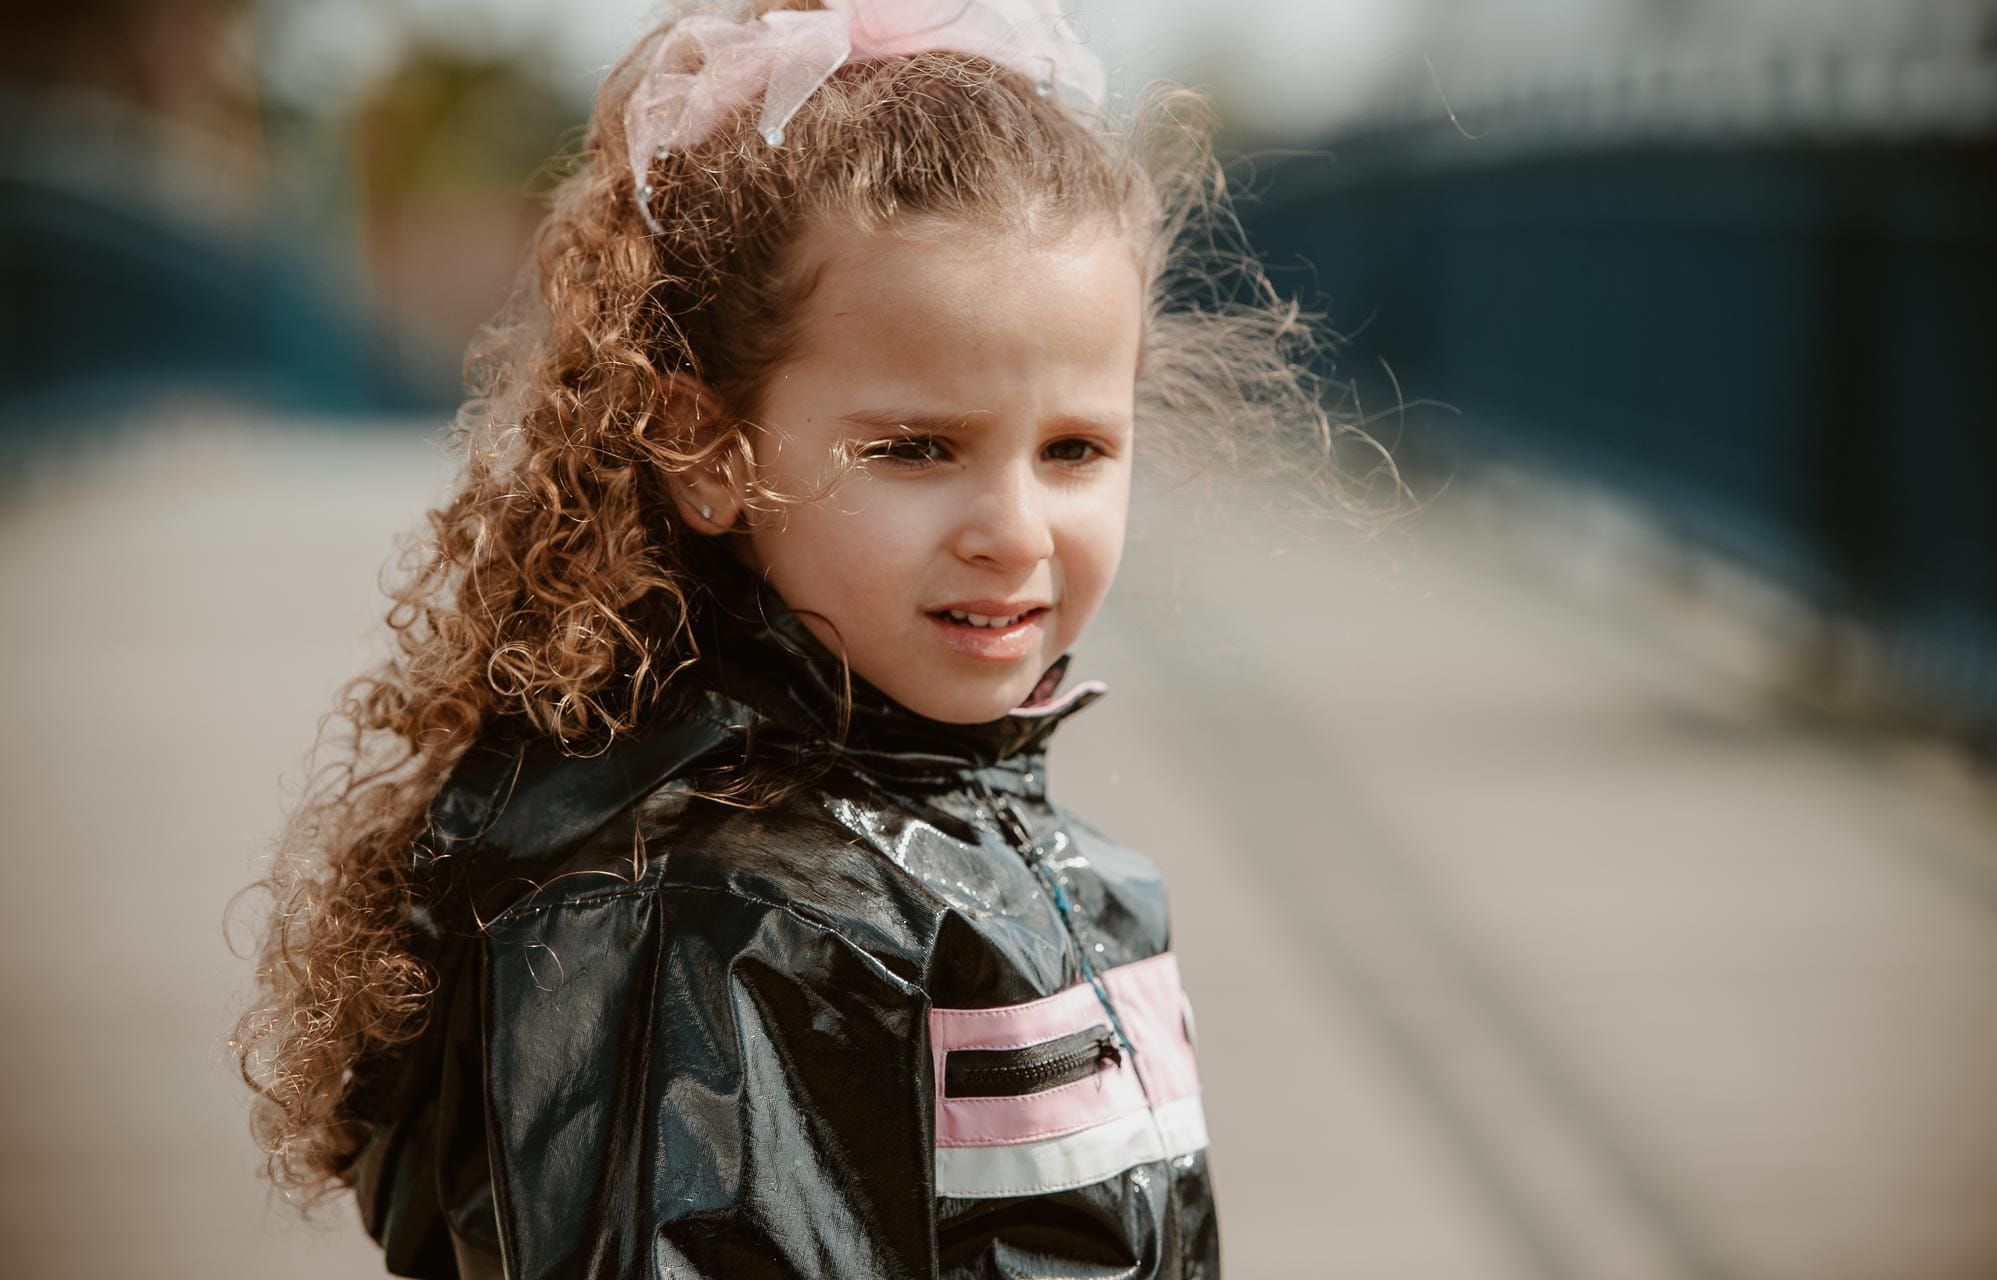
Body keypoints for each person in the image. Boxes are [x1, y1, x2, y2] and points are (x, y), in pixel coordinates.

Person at [233, 2, 1380, 1276]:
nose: (1013, 532)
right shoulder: (711, 920)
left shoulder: (1062, 864)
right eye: (912, 449)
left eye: (1072, 450)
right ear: (707, 450)